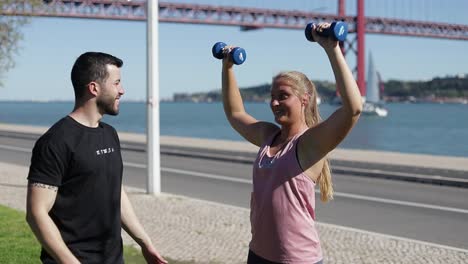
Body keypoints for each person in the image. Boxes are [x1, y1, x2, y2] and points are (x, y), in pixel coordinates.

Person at [220, 23, 362, 264]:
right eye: (272, 97)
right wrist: (227, 68)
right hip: (258, 255)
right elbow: (235, 113)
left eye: (283, 96)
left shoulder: (310, 143)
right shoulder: (268, 136)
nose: (274, 103)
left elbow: (353, 109)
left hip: (297, 260)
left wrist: (332, 48)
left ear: (305, 99)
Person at [26, 52, 167, 264]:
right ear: (94, 88)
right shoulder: (55, 141)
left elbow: (115, 192)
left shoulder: (109, 134)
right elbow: (36, 213)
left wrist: (145, 243)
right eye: (116, 83)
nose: (122, 90)